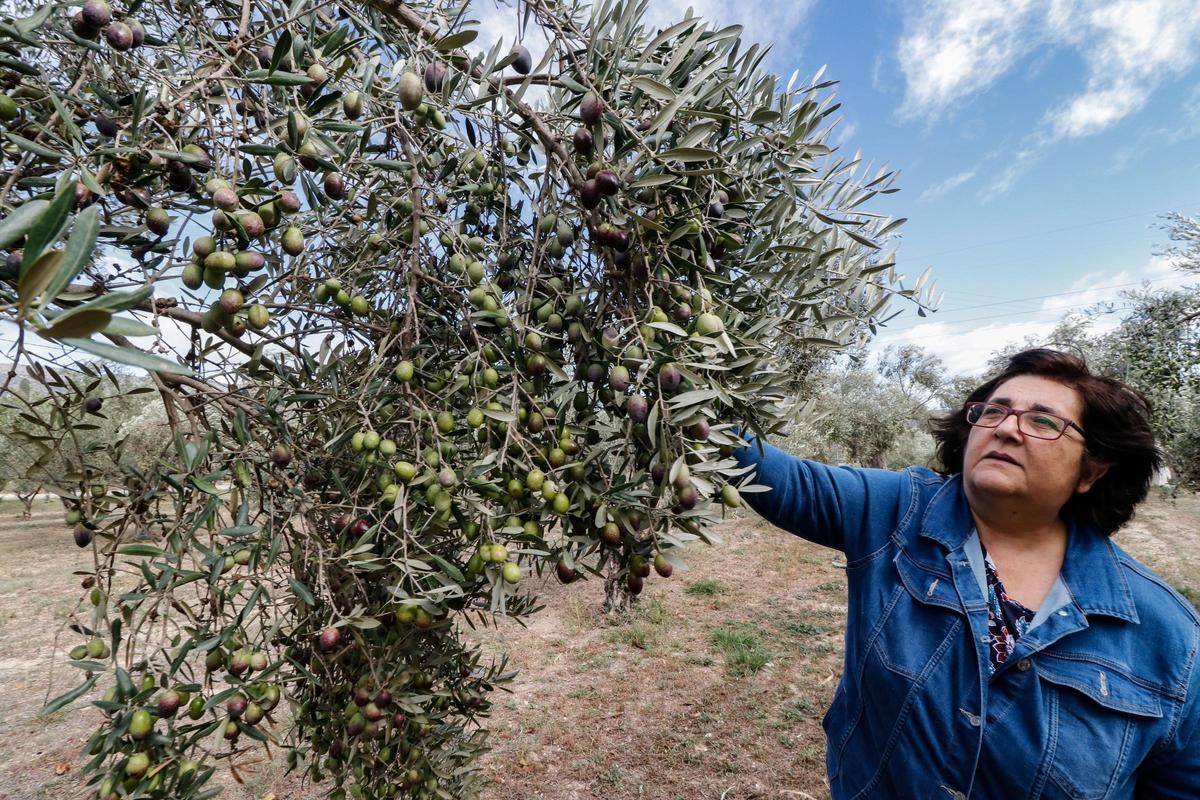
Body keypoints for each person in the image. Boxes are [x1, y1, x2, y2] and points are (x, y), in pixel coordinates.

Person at [733, 348, 1199, 799]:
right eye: (993, 412)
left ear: (1091, 472)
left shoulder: (1172, 640)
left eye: (1043, 421)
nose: (1007, 430)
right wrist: (679, 387)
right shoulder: (895, 509)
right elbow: (778, 477)